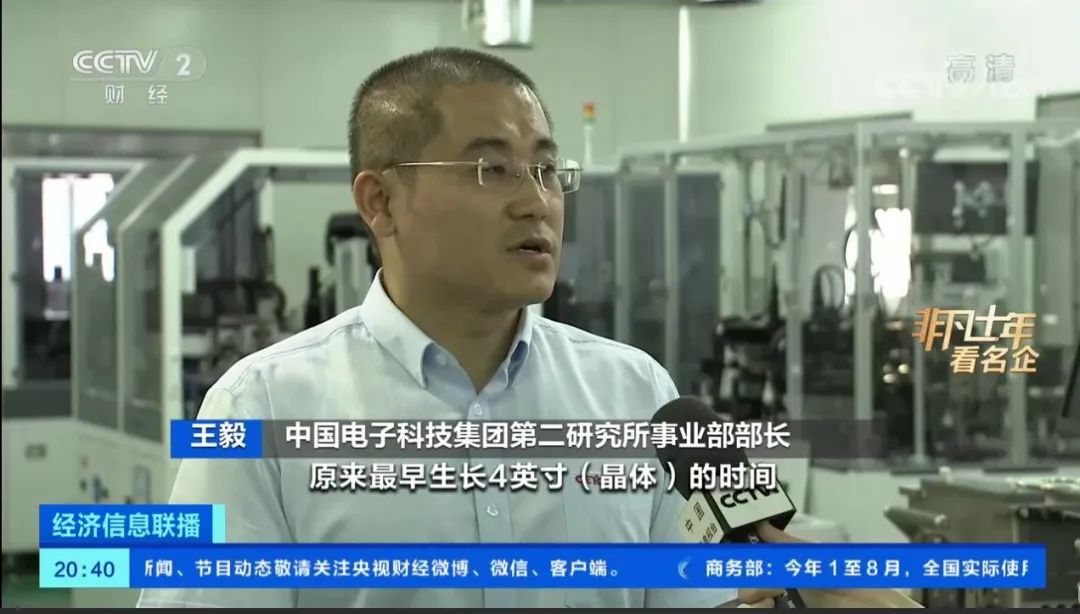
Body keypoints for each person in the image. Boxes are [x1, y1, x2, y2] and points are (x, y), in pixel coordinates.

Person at [137, 47, 735, 609]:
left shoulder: (636, 393)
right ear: (380, 202)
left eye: (547, 169)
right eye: (491, 169)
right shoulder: (261, 409)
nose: (538, 202)